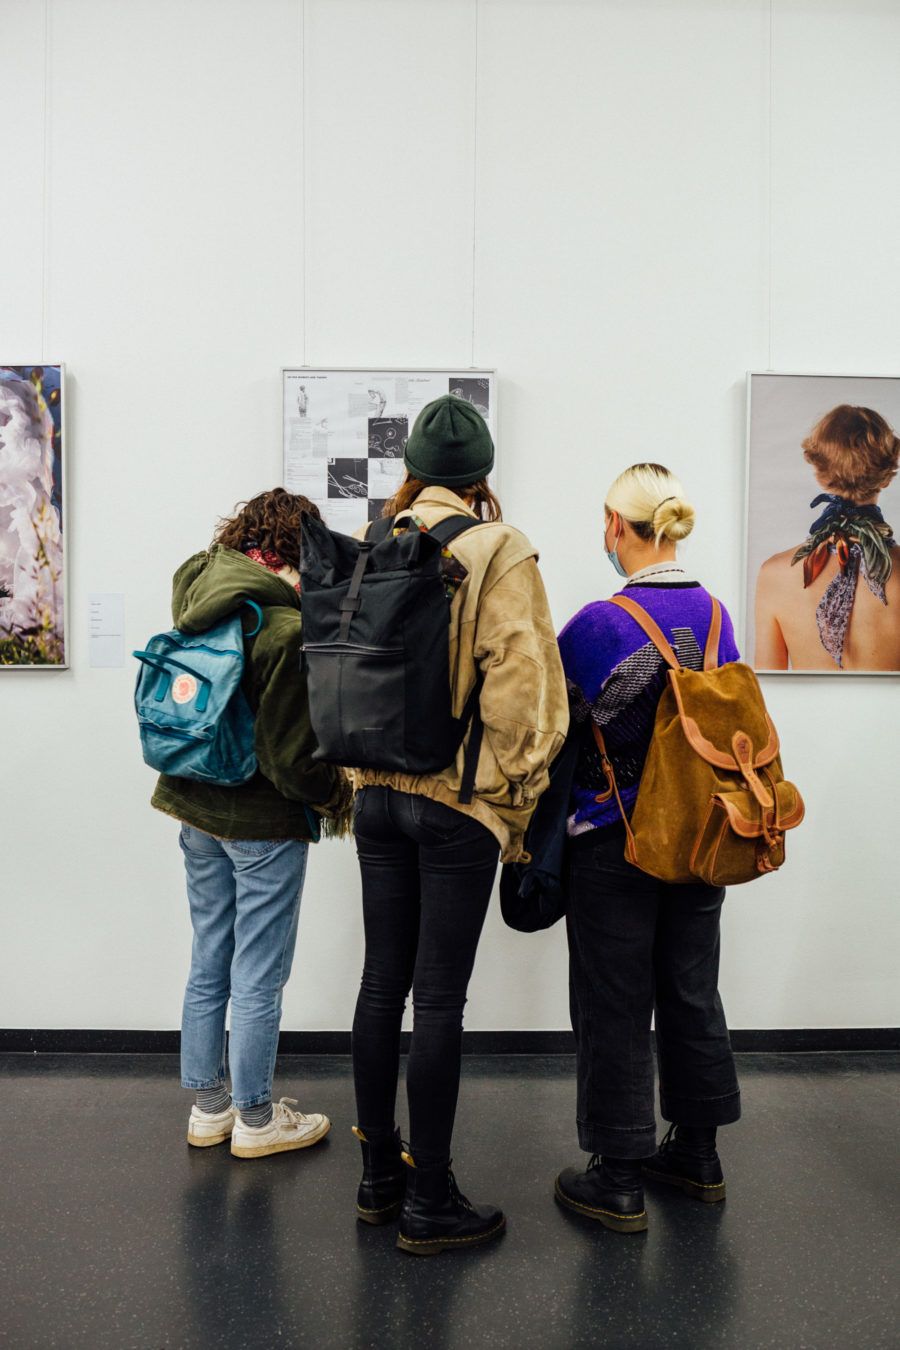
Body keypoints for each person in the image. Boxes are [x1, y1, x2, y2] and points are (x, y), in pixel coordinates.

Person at [349, 395, 568, 1255]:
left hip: (373, 795)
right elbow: (524, 688)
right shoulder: (496, 546)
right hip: (454, 805)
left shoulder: (375, 540)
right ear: (481, 473)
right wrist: (510, 796)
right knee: (439, 997)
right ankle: (431, 1200)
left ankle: (378, 1181)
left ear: (412, 468)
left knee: (380, 985)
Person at [554, 463, 741, 1233]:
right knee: (691, 990)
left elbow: (556, 725)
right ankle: (696, 1156)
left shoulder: (599, 624)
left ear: (615, 526)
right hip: (702, 837)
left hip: (617, 841)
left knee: (615, 1000)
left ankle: (620, 1176)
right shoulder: (720, 615)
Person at [151, 488, 351, 1159]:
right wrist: (336, 797)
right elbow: (292, 759)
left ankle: (210, 1108)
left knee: (210, 957)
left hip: (193, 808)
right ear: (298, 552)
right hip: (263, 822)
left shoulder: (202, 600)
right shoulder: (283, 629)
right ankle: (259, 1121)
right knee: (258, 974)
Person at [754, 404, 900, 671]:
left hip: (806, 715)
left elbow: (768, 691)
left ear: (819, 475)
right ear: (886, 477)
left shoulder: (773, 574)